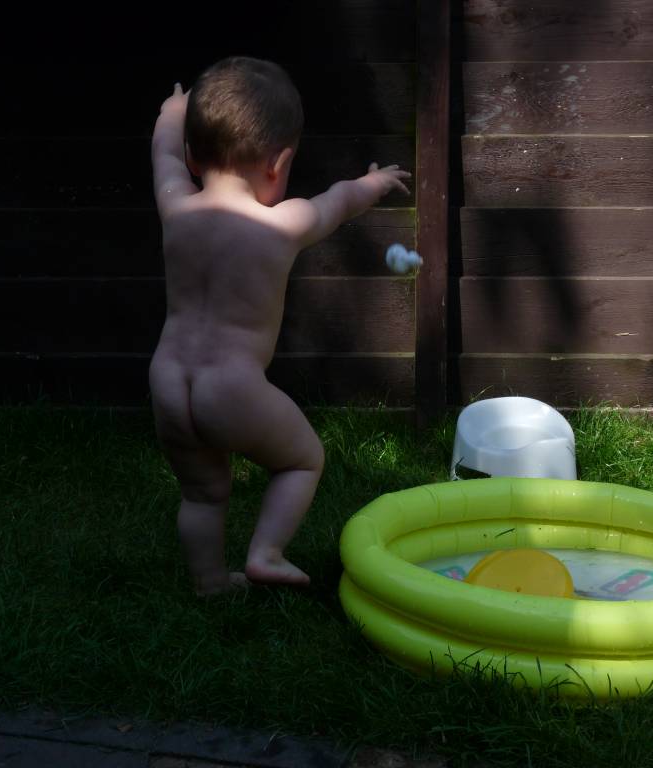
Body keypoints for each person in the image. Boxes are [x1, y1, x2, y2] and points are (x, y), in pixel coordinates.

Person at [148, 56, 411, 595]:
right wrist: (373, 182)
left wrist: (173, 114)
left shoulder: (176, 205)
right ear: (279, 163)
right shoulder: (280, 224)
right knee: (301, 461)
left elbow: (163, 154)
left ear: (194, 156)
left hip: (169, 379)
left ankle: (209, 582)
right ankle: (266, 553)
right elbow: (337, 202)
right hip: (232, 386)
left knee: (202, 492)